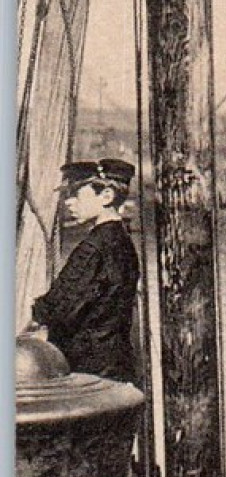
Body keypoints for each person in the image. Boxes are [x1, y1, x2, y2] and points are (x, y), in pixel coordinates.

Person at [31, 159, 142, 385]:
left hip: (86, 370)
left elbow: (57, 308)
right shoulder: (123, 242)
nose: (68, 202)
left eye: (76, 193)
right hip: (116, 364)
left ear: (107, 196)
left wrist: (34, 317)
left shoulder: (93, 248)